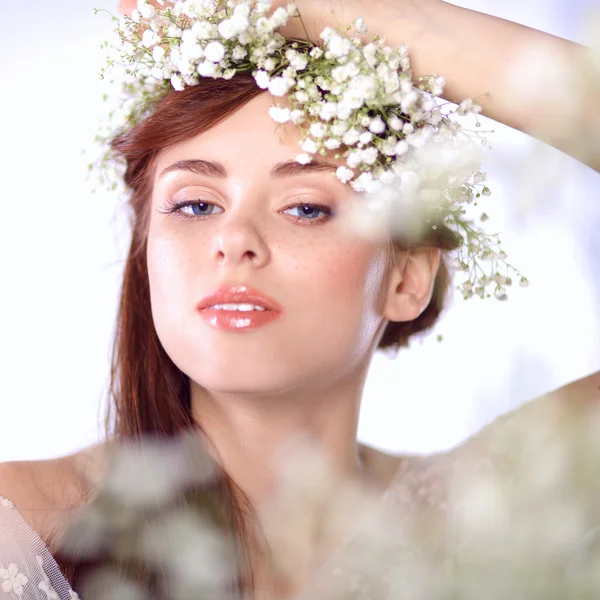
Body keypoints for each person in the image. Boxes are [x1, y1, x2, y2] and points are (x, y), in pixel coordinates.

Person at [0, 1, 598, 599]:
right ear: (147, 250)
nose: (234, 240)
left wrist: (310, 12)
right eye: (196, 204)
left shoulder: (491, 513)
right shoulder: (20, 527)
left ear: (407, 277)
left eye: (306, 207)